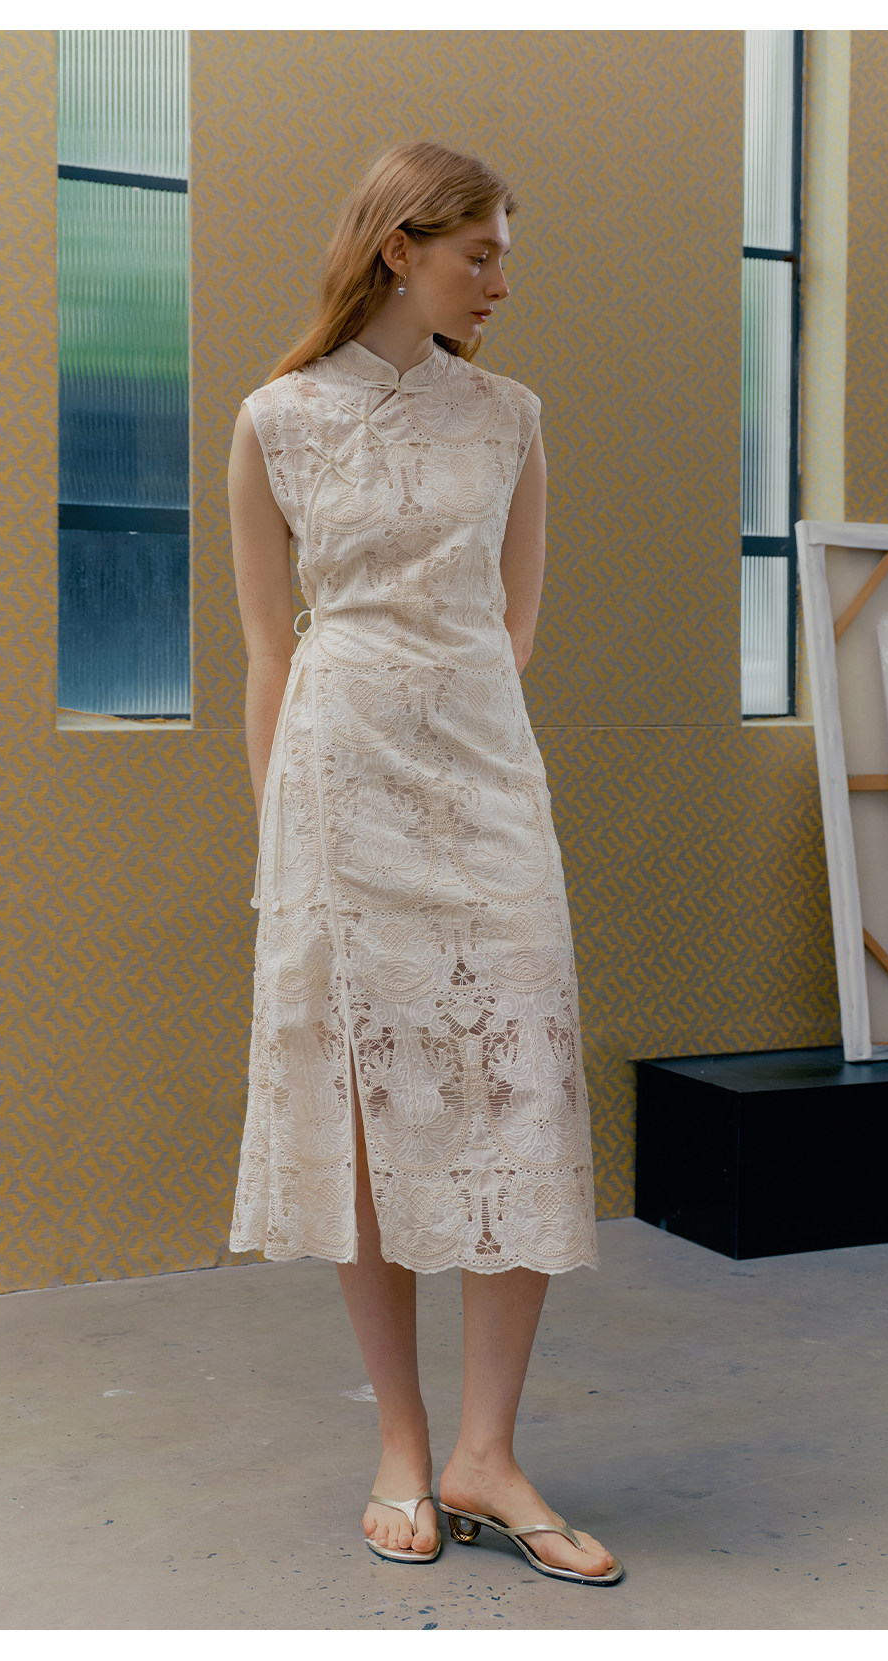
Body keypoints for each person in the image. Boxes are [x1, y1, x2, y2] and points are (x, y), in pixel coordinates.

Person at [226, 141, 622, 1588]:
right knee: (366, 1110)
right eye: (480, 255)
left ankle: (487, 1454)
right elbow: (268, 653)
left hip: (482, 773)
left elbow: (514, 625)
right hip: (335, 789)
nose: (500, 281)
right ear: (400, 248)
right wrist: (284, 844)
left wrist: (451, 719)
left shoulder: (510, 417)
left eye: (504, 255)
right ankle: (404, 1444)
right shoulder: (275, 419)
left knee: (517, 1082)